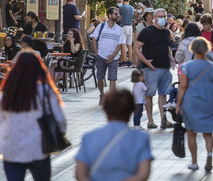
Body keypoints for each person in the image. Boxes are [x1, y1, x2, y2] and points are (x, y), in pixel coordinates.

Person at [0, 51, 66, 181]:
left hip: (12, 149)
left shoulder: (6, 92)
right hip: (38, 148)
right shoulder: (46, 91)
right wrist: (59, 133)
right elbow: (59, 119)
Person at [75, 89, 153, 181]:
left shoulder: (88, 137)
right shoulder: (141, 138)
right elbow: (144, 173)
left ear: (105, 110)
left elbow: (80, 174)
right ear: (132, 110)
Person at [176, 37, 213, 171]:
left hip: (192, 101)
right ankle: (210, 154)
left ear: (192, 49)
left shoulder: (186, 67)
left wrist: (178, 105)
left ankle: (194, 162)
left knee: (191, 132)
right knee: (208, 132)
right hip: (209, 100)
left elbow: (182, 87)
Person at [134, 8, 174, 129]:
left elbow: (167, 47)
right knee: (149, 94)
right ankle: (150, 120)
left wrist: (171, 58)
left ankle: (163, 119)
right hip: (151, 69)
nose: (162, 19)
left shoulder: (166, 32)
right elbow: (136, 47)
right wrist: (145, 61)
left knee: (164, 94)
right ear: (154, 18)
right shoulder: (147, 31)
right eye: (159, 16)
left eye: (164, 16)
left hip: (165, 68)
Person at [91, 7, 126, 105]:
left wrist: (113, 55)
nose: (117, 15)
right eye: (115, 14)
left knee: (112, 79)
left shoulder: (119, 29)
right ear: (109, 15)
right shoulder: (101, 26)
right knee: (100, 78)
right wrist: (97, 53)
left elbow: (120, 44)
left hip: (113, 58)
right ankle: (102, 94)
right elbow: (94, 39)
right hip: (101, 56)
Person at [119, 0, 135, 68]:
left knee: (123, 44)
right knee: (129, 44)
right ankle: (130, 61)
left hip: (123, 26)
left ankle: (124, 60)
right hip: (130, 26)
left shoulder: (121, 8)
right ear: (129, 0)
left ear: (123, 0)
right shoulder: (132, 8)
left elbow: (119, 17)